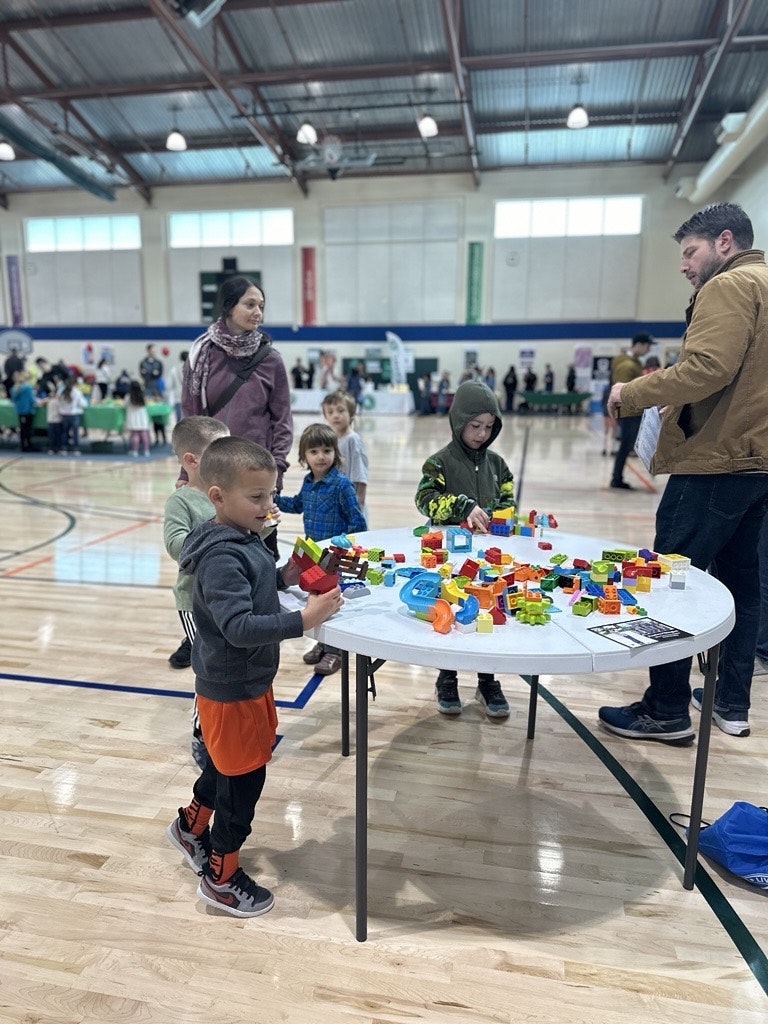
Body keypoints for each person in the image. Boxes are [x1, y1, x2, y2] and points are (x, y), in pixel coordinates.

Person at [600, 202, 768, 743]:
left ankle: (666, 707)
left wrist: (632, 393)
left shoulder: (729, 286)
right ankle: (729, 701)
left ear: (724, 242)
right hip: (757, 462)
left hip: (715, 461)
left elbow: (706, 368)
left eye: (689, 252)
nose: (683, 265)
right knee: (744, 583)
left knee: (669, 576)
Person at [167, 436, 342, 917]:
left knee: (228, 765)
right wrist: (304, 622)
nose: (268, 506)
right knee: (242, 780)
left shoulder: (244, 538)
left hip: (248, 681)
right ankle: (220, 877)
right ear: (218, 496)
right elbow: (239, 626)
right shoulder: (223, 555)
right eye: (257, 497)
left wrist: (289, 573)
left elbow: (259, 583)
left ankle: (189, 826)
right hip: (232, 686)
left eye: (271, 495)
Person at [414, 379, 516, 719]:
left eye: (489, 427)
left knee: (486, 614)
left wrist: (506, 519)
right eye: (475, 426)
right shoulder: (438, 463)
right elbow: (424, 501)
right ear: (459, 422)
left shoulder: (498, 465)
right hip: (450, 558)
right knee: (452, 613)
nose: (482, 433)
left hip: (488, 560)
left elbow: (507, 504)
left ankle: (487, 679)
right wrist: (463, 506)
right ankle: (447, 675)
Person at [181, 276, 293, 503]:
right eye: (250, 305)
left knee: (260, 538)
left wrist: (276, 470)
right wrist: (186, 472)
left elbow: (282, 421)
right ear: (229, 306)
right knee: (215, 538)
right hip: (212, 473)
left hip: (257, 474)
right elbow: (190, 421)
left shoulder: (271, 360)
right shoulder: (201, 355)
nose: (258, 313)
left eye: (261, 306)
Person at [163, 416, 231, 759]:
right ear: (192, 460)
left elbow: (238, 537)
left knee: (226, 662)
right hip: (195, 601)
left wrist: (261, 521)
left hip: (227, 596)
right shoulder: (182, 502)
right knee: (208, 665)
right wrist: (216, 528)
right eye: (219, 450)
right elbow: (177, 546)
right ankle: (201, 732)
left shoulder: (224, 492)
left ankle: (227, 726)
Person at [275, 422, 366, 676]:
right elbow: (297, 504)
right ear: (304, 456)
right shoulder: (308, 482)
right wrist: (273, 499)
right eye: (314, 451)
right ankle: (323, 642)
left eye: (326, 450)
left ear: (335, 454)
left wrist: (348, 548)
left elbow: (357, 521)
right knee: (316, 598)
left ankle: (334, 651)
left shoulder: (342, 485)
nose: (321, 456)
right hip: (313, 555)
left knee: (331, 600)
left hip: (334, 558)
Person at [608, 332, 654, 489]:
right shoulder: (627, 365)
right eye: (647, 346)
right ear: (639, 345)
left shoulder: (631, 362)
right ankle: (616, 479)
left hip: (631, 412)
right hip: (629, 413)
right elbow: (622, 390)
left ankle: (617, 477)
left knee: (626, 446)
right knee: (625, 446)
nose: (648, 350)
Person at [58, 375, 87, 456]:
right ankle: (76, 448)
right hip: (74, 415)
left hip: (64, 415)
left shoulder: (61, 392)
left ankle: (64, 448)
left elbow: (59, 403)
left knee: (65, 432)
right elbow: (83, 404)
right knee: (75, 432)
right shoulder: (77, 392)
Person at [123, 380, 151, 457]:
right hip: (142, 418)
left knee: (135, 435)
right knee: (144, 434)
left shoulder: (128, 396)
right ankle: (146, 451)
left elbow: (124, 405)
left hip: (133, 418)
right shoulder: (142, 395)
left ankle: (134, 451)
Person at [10, 370, 37, 453]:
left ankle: (23, 445)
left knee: (22, 429)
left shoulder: (15, 388)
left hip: (20, 411)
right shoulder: (27, 387)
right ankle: (27, 445)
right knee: (27, 429)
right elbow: (32, 399)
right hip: (27, 410)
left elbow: (13, 398)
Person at [166, 350, 187, 422]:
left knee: (179, 419)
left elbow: (168, 385)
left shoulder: (174, 369)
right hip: (190, 398)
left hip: (178, 397)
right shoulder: (193, 369)